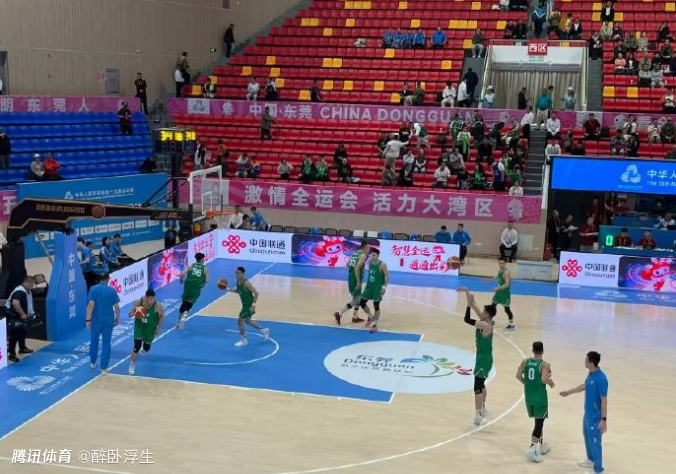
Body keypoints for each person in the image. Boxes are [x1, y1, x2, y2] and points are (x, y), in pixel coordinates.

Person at [560, 351, 609, 474]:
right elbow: (584, 386)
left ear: (591, 363)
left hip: (595, 417)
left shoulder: (601, 379)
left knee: (595, 441)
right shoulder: (591, 374)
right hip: (587, 414)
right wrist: (569, 392)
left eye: (586, 360)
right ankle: (591, 459)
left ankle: (598, 469)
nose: (584, 361)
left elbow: (604, 400)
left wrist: (603, 419)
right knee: (587, 436)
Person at [457, 287, 495, 428]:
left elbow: (467, 319)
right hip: (484, 358)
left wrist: (468, 306)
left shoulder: (485, 325)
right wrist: (468, 296)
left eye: (484, 312)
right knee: (481, 384)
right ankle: (483, 408)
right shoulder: (487, 322)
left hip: (483, 360)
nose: (482, 313)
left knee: (477, 388)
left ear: (488, 315)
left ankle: (478, 415)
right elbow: (475, 307)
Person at [517, 341, 555, 463]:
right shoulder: (544, 365)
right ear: (542, 351)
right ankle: (532, 449)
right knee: (539, 424)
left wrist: (527, 383)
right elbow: (543, 379)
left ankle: (542, 445)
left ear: (532, 350)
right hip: (540, 398)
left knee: (538, 421)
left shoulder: (525, 362)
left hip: (529, 397)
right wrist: (549, 381)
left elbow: (518, 375)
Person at [86, 273, 121, 375]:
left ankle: (93, 363)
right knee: (106, 343)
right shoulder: (112, 291)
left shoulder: (93, 289)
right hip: (108, 321)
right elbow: (117, 307)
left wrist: (88, 320)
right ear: (108, 279)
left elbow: (90, 305)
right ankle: (104, 368)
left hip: (96, 320)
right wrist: (117, 318)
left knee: (94, 341)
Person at [227, 266, 269, 347]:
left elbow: (256, 293)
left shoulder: (247, 283)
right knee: (247, 321)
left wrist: (253, 305)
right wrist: (228, 289)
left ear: (243, 274)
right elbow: (238, 290)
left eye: (238, 273)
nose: (236, 275)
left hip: (248, 305)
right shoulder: (238, 281)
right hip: (244, 305)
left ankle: (243, 340)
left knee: (239, 321)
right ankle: (264, 330)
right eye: (236, 273)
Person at [127, 289, 164, 375]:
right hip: (139, 328)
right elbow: (129, 315)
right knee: (136, 347)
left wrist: (158, 328)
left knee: (147, 347)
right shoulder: (138, 302)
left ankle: (145, 348)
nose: (152, 300)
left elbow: (161, 317)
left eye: (153, 298)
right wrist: (135, 312)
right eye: (150, 298)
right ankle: (132, 366)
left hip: (150, 329)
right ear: (146, 297)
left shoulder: (157, 305)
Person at [333, 240, 370, 325]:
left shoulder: (355, 253)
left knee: (358, 299)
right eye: (368, 247)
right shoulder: (363, 255)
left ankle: (355, 317)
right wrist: (358, 281)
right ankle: (339, 313)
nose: (369, 249)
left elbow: (347, 265)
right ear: (364, 247)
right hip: (356, 279)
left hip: (351, 278)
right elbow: (356, 268)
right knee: (356, 300)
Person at [3, 276, 36, 363]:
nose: (33, 286)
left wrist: (31, 314)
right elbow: (15, 303)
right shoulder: (20, 291)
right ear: (28, 282)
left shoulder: (27, 291)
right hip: (14, 316)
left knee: (22, 331)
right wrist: (22, 314)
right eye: (32, 284)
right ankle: (11, 354)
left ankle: (22, 348)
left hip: (20, 316)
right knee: (14, 334)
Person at [356, 249, 389, 333]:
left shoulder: (382, 265)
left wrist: (384, 288)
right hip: (369, 286)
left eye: (373, 255)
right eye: (371, 255)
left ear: (378, 256)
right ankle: (370, 317)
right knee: (362, 302)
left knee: (376, 306)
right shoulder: (370, 262)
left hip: (377, 288)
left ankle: (375, 324)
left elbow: (386, 276)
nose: (372, 256)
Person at [177, 252, 209, 330]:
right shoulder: (205, 268)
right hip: (196, 288)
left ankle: (179, 321)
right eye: (203, 259)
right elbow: (207, 280)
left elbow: (182, 274)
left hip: (187, 286)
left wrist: (181, 280)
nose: (204, 260)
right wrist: (202, 283)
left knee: (184, 302)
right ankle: (184, 316)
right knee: (189, 304)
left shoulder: (191, 266)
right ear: (201, 259)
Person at [485, 258, 516, 330]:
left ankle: (511, 324)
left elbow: (507, 284)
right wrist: (488, 279)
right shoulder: (500, 270)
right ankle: (490, 321)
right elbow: (497, 277)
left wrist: (497, 288)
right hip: (498, 293)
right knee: (492, 306)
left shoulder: (506, 272)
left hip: (505, 294)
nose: (501, 264)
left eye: (502, 263)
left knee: (507, 309)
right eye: (500, 263)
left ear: (505, 264)